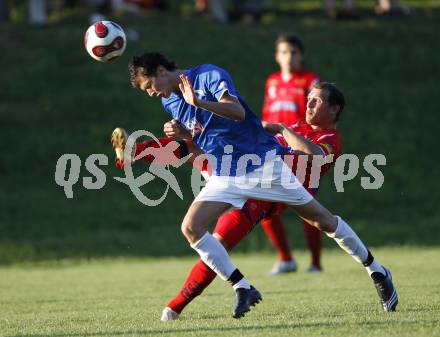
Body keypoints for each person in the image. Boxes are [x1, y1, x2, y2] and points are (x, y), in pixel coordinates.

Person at [126, 52, 398, 318]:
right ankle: (242, 287)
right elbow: (201, 139)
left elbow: (237, 111)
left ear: (161, 71)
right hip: (228, 172)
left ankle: (376, 269)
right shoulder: (170, 102)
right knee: (191, 227)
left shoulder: (208, 75)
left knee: (324, 221)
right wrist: (184, 133)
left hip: (264, 167)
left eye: (149, 86)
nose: (150, 93)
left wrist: (197, 101)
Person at [111, 80, 342, 319]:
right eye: (309, 98)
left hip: (265, 194)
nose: (309, 103)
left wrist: (282, 130)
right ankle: (134, 152)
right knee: (191, 147)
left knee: (218, 245)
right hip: (244, 172)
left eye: (317, 100)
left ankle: (175, 307)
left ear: (334, 109)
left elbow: (315, 157)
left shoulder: (330, 138)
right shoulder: (296, 125)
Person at [261, 34, 324, 274]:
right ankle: (286, 258)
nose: (289, 56)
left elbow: (316, 116)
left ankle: (316, 263)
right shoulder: (273, 81)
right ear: (277, 56)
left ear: (302, 55)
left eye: (294, 52)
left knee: (307, 208)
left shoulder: (310, 80)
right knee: (263, 204)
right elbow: (267, 114)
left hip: (302, 150)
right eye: (284, 52)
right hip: (275, 150)